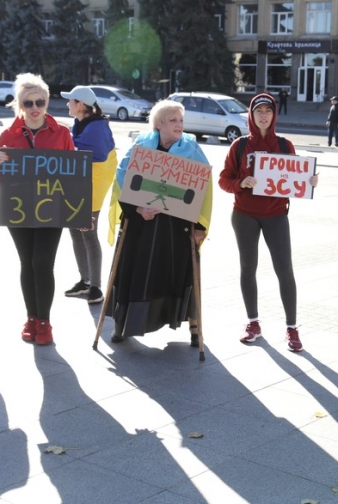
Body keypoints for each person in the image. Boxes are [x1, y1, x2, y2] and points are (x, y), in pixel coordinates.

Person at [219, 93, 318, 352]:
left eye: (268, 111)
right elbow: (223, 179)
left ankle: (292, 327)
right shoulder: (239, 145)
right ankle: (253, 323)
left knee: (284, 268)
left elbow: (294, 179)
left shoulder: (285, 146)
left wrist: (308, 181)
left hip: (275, 215)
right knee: (247, 267)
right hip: (244, 214)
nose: (263, 115)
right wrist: (240, 183)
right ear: (251, 115)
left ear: (274, 115)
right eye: (258, 111)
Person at [106, 100, 211, 345]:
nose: (179, 124)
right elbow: (121, 181)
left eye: (181, 120)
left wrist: (201, 227)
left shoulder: (192, 149)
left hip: (176, 228)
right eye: (173, 120)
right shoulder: (140, 147)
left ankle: (195, 329)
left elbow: (205, 189)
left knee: (181, 272)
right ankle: (122, 324)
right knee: (134, 272)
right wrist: (137, 209)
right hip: (142, 226)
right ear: (159, 124)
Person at [0, 73, 75, 346]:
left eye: (40, 101)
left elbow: (75, 173)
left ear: (47, 102)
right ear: (20, 105)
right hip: (19, 208)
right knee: (27, 263)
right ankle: (31, 317)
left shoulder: (61, 132)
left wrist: (80, 209)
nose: (35, 107)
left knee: (42, 263)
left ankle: (44, 321)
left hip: (52, 207)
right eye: (28, 103)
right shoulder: (8, 134)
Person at [61, 86, 118, 305]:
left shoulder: (96, 127)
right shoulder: (84, 123)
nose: (68, 104)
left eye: (70, 101)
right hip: (83, 184)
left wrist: (66, 142)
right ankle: (85, 281)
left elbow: (97, 154)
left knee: (88, 233)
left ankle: (95, 287)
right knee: (75, 230)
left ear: (81, 105)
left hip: (93, 187)